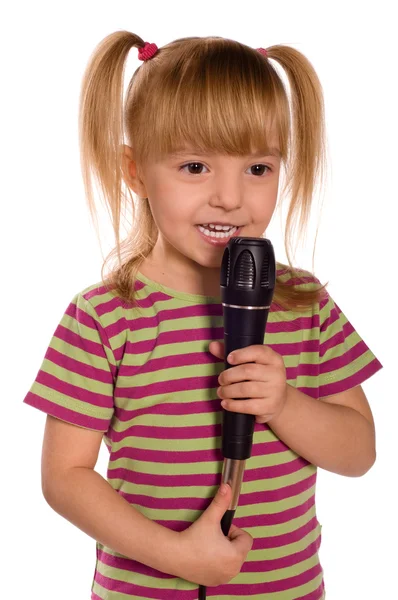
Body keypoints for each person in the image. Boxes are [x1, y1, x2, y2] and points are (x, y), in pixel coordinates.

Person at [23, 31, 383, 600]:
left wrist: (284, 404)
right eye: (195, 166)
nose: (230, 197)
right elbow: (64, 479)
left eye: (258, 168)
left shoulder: (305, 304)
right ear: (135, 170)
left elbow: (359, 453)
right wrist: (178, 555)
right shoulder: (103, 317)